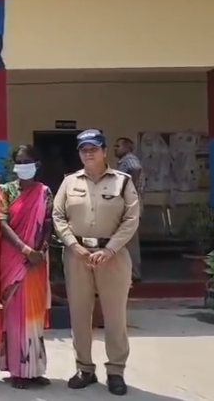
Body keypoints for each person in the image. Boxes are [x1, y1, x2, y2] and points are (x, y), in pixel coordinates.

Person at [53, 129, 139, 396]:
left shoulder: (122, 182)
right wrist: (73, 245)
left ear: (104, 151)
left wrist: (110, 249)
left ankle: (116, 371)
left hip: (113, 255)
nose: (88, 153)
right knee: (80, 315)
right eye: (83, 149)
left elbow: (131, 219)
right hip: (77, 255)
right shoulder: (69, 182)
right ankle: (84, 368)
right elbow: (58, 216)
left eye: (93, 148)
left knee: (115, 317)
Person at [0, 145, 53, 389]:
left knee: (34, 316)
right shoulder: (6, 191)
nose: (22, 165)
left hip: (37, 261)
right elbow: (2, 224)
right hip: (13, 260)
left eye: (27, 161)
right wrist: (25, 250)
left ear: (37, 164)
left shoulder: (44, 192)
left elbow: (49, 222)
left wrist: (40, 251)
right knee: (15, 316)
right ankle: (18, 370)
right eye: (19, 161)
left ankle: (34, 369)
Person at [113, 137, 145, 283]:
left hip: (130, 203)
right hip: (128, 203)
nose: (115, 148)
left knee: (130, 239)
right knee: (125, 238)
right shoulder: (123, 161)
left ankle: (134, 273)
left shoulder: (129, 159)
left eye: (118, 146)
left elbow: (135, 169)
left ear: (127, 147)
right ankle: (127, 271)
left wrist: (128, 188)